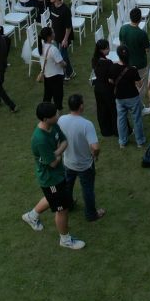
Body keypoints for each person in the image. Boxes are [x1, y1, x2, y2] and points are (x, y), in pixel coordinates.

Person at [21, 102, 86, 250]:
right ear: (45, 119)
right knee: (62, 209)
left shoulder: (54, 125)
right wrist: (58, 154)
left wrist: (56, 152)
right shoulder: (40, 139)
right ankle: (65, 240)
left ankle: (31, 216)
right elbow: (53, 164)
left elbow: (65, 141)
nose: (58, 115)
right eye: (54, 115)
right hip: (50, 179)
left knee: (53, 197)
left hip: (58, 174)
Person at [58, 94, 105, 223]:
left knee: (67, 187)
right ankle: (91, 214)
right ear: (81, 106)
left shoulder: (61, 119)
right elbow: (95, 147)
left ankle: (68, 206)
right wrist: (95, 155)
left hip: (68, 162)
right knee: (87, 189)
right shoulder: (86, 124)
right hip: (85, 165)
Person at [111, 46, 146, 148]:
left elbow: (111, 81)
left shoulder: (113, 67)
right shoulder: (132, 69)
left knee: (121, 119)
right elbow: (139, 84)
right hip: (132, 97)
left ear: (118, 55)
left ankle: (122, 142)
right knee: (137, 119)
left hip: (120, 97)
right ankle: (140, 141)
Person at [90, 40, 118, 136]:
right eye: (107, 48)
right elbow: (111, 77)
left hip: (98, 88)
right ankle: (116, 130)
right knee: (113, 109)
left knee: (102, 109)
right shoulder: (108, 63)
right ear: (101, 50)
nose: (109, 50)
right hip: (107, 88)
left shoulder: (94, 60)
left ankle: (106, 130)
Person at [37, 25, 67, 109]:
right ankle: (58, 115)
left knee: (47, 97)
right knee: (58, 100)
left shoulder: (41, 46)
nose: (54, 33)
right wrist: (65, 63)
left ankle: (44, 113)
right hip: (56, 77)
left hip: (47, 76)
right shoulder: (53, 49)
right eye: (53, 32)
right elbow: (61, 63)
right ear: (49, 37)